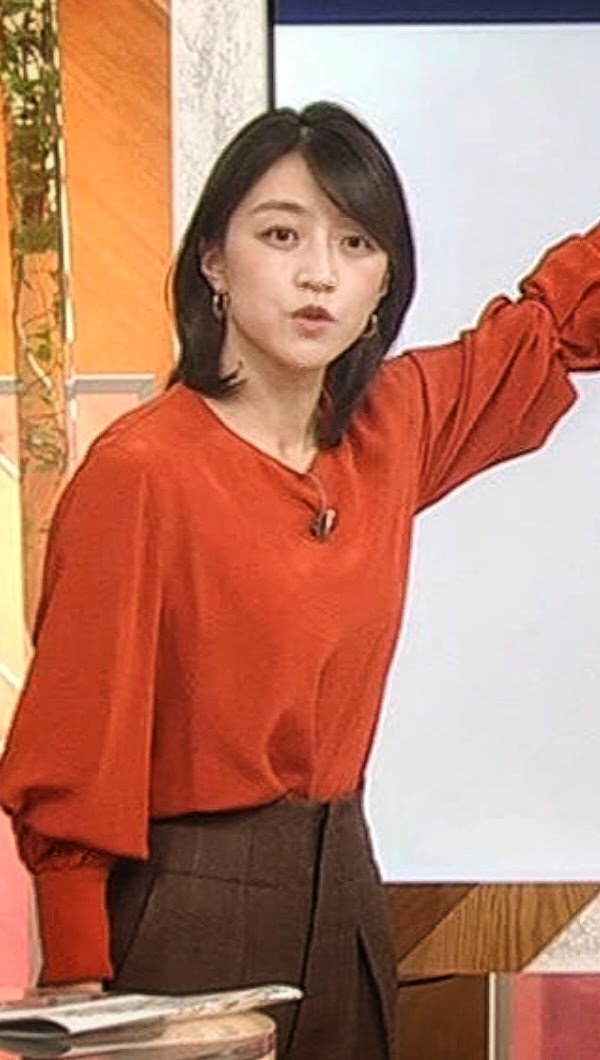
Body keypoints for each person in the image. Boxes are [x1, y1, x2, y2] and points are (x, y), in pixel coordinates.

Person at [0, 101, 598, 1060]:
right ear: (213, 260)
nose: (319, 273)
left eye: (355, 243)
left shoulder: (389, 429)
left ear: (383, 280)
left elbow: (551, 330)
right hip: (184, 913)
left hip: (347, 896)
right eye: (282, 235)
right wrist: (80, 979)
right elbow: (76, 740)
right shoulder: (142, 472)